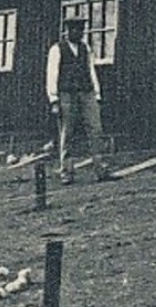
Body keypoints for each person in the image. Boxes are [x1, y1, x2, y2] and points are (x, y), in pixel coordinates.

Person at [46, 13, 109, 184]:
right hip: (66, 94)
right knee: (67, 132)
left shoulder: (85, 48)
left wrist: (97, 94)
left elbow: (91, 71)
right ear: (67, 31)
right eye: (74, 29)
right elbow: (52, 74)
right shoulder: (57, 49)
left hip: (86, 92)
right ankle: (66, 172)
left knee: (96, 129)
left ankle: (100, 169)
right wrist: (54, 99)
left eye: (81, 29)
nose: (78, 33)